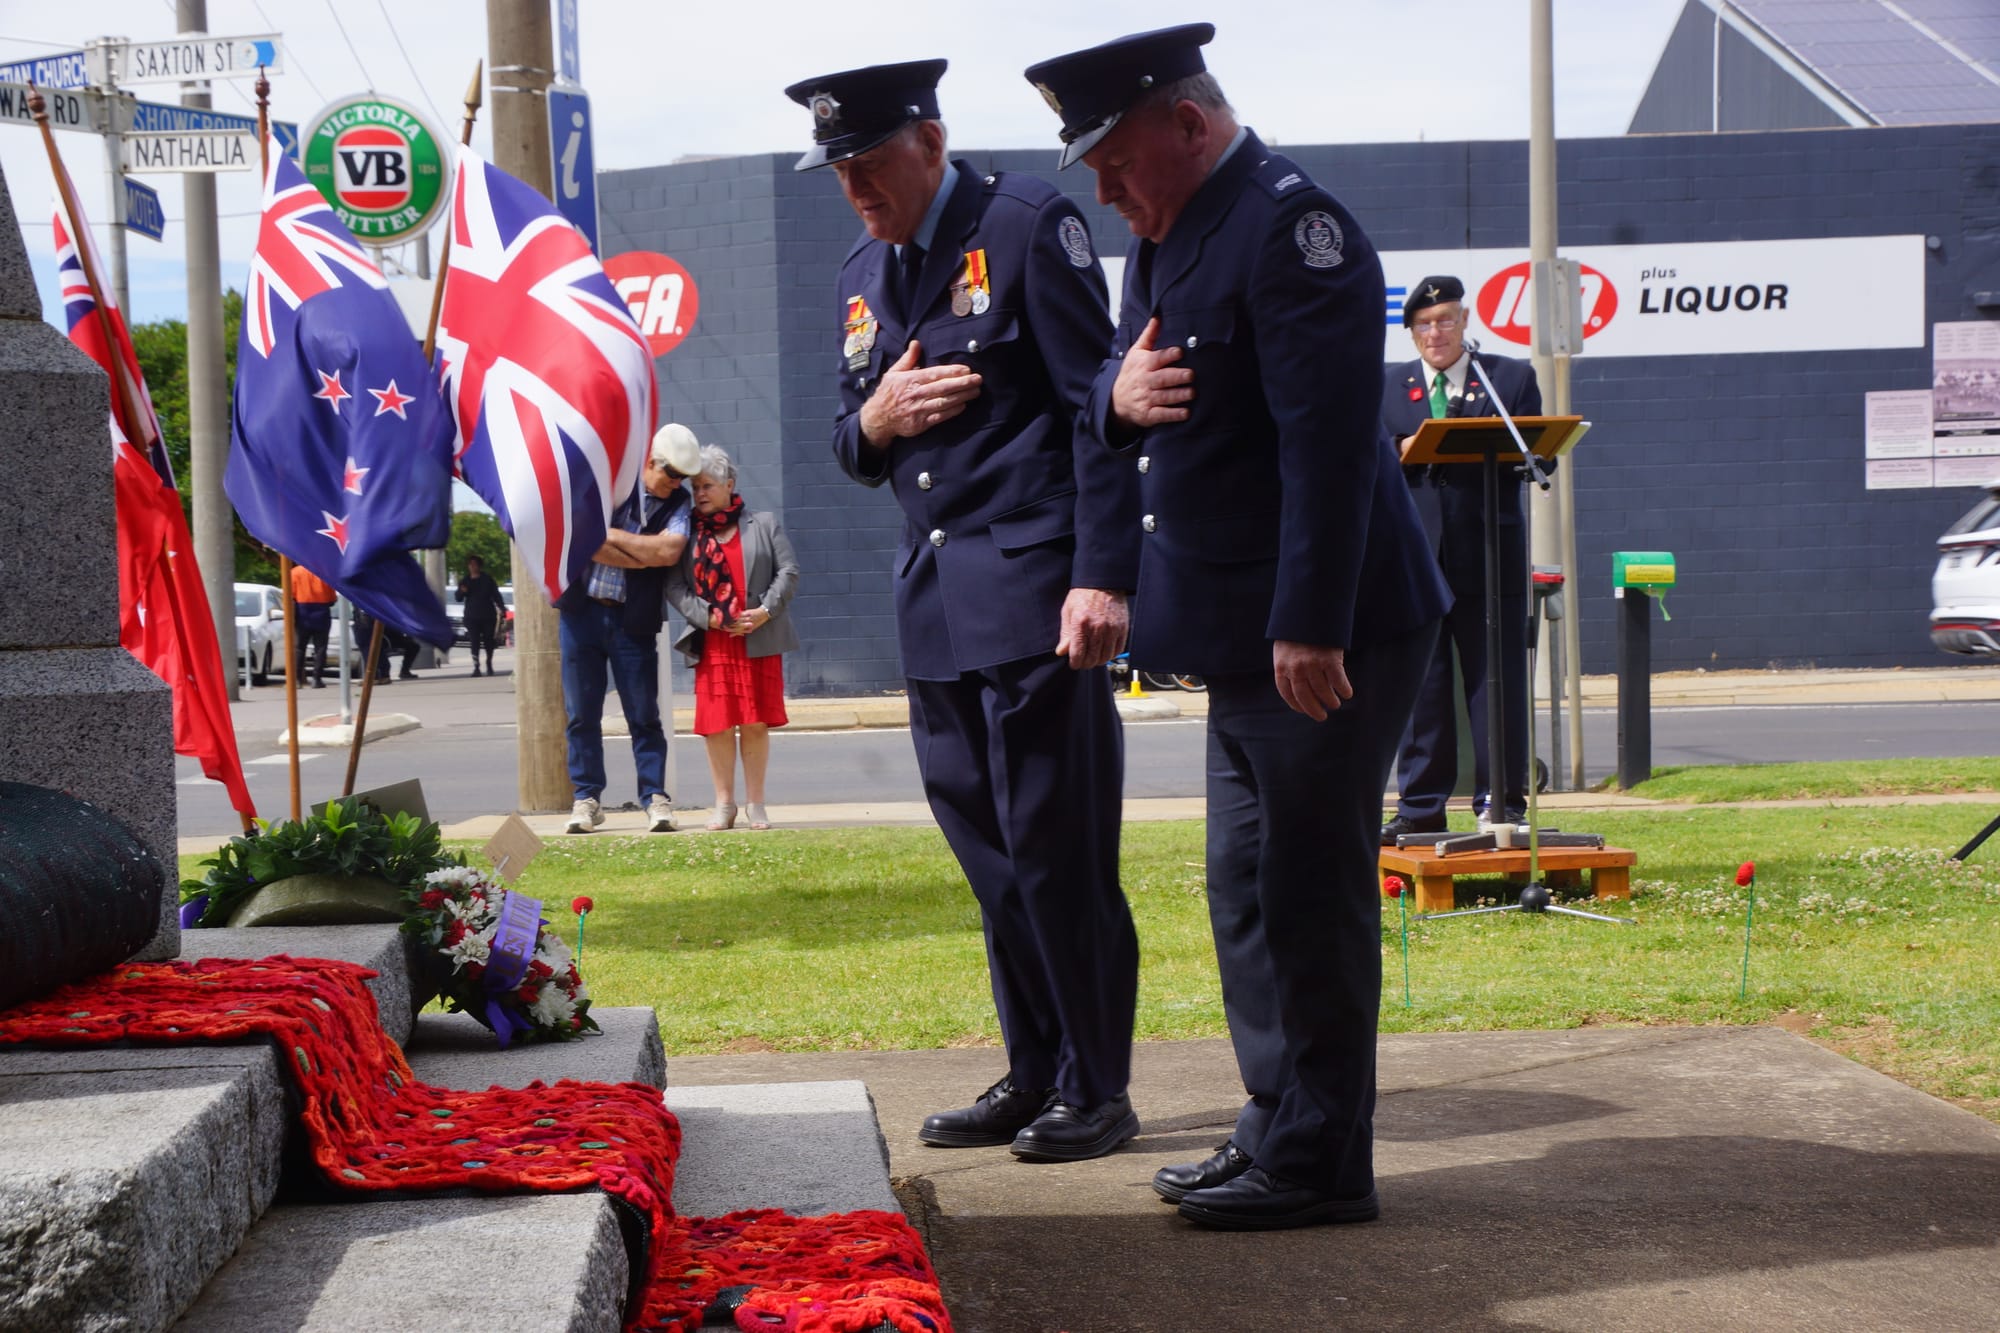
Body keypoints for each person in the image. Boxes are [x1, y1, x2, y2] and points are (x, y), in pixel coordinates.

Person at [1026, 24, 1449, 1227]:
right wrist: (1108, 407)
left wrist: (1309, 621)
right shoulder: (1165, 242)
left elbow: (1326, 449)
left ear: (1187, 124)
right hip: (1240, 635)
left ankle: (1322, 1158)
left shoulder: (1289, 229)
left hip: (1326, 631)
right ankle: (1275, 1121)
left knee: (1309, 888)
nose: (1103, 194)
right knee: (1243, 885)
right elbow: (1118, 412)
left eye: (1113, 163)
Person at [786, 58, 1144, 1161]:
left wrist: (1103, 575)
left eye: (870, 162)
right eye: (837, 168)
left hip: (1037, 593)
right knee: (988, 849)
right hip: (934, 602)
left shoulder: (1028, 226)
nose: (854, 188)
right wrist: (882, 416)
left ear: (930, 142)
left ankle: (1095, 1084)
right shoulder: (862, 268)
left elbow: (1103, 414)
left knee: (1056, 845)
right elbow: (850, 443)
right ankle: (1033, 1070)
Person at [1380, 276, 1545, 841]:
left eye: (1446, 319)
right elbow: (1365, 461)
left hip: (1487, 553)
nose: (1435, 332)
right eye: (1424, 324)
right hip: (1414, 561)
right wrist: (1396, 452)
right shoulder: (1387, 386)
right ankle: (1421, 806)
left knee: (1494, 682)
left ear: (1465, 321)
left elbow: (1531, 450)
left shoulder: (1507, 379)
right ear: (1411, 332)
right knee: (1420, 687)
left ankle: (1502, 803)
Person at [556, 422, 698, 835]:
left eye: (682, 478)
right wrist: (642, 554)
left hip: (632, 621)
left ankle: (655, 796)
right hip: (582, 613)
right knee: (581, 714)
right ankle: (586, 798)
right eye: (672, 474)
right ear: (652, 463)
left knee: (644, 714)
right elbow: (582, 539)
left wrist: (611, 537)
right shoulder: (611, 485)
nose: (677, 484)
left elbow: (670, 551)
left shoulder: (678, 503)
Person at [665, 444, 801, 831]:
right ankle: (724, 804)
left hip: (759, 637)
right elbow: (674, 586)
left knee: (755, 722)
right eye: (696, 488)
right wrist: (708, 616)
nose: (701, 494)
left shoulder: (764, 523)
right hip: (716, 640)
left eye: (708, 485)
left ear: (730, 484)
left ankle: (756, 803)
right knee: (718, 724)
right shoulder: (686, 533)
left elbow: (788, 572)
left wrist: (765, 612)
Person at [456, 554, 506, 678]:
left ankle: (489, 662)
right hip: (471, 616)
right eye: (470, 564)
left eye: (474, 564)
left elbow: (496, 595)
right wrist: (462, 591)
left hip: (487, 615)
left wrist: (502, 607)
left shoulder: (487, 579)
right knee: (474, 641)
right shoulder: (465, 581)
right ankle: (476, 666)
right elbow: (458, 598)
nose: (472, 567)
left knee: (489, 640)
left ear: (479, 566)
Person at [289, 561, 337, 688]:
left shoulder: (295, 573)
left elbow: (290, 596)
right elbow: (332, 599)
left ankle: (297, 679)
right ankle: (317, 678)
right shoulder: (325, 573)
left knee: (299, 648)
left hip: (302, 612)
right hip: (321, 612)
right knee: (320, 648)